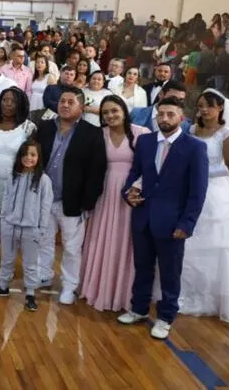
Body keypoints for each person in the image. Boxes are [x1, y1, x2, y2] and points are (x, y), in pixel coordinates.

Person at [118, 97, 209, 340]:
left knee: (170, 273)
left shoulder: (195, 147)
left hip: (173, 222)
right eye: (161, 114)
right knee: (142, 267)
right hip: (143, 216)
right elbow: (135, 174)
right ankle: (138, 309)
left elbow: (197, 191)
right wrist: (127, 193)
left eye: (171, 114)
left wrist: (187, 223)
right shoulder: (146, 141)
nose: (165, 118)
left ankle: (166, 317)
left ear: (182, 117)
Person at [177, 89, 229, 322]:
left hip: (215, 193)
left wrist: (200, 174)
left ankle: (219, 296)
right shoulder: (193, 130)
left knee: (219, 243)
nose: (204, 110)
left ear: (220, 108)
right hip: (191, 191)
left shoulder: (227, 133)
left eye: (209, 106)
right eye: (201, 105)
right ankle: (187, 290)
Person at [36, 86, 107, 305]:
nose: (65, 105)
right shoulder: (45, 127)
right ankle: (43, 275)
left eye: (70, 102)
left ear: (82, 106)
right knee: (43, 241)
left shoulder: (91, 133)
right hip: (45, 198)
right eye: (62, 102)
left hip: (73, 201)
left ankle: (69, 285)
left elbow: (97, 171)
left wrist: (87, 202)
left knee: (72, 247)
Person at [80, 95, 150, 311]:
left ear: (124, 110)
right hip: (104, 193)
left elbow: (149, 166)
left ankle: (123, 293)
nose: (110, 116)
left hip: (130, 194)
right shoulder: (98, 134)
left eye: (114, 111)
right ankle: (97, 288)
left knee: (126, 241)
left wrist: (136, 188)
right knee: (101, 237)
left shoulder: (141, 133)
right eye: (106, 113)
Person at [0, 141, 53, 312]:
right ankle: (3, 286)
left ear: (38, 157)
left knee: (30, 263)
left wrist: (41, 229)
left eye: (33, 155)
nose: (29, 158)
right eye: (25, 154)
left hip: (31, 229)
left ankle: (30, 293)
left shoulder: (44, 180)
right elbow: (6, 198)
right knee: (7, 259)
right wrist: (4, 219)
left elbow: (45, 207)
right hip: (10, 226)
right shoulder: (12, 176)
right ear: (20, 157)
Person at [0, 87, 36, 277]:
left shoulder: (28, 128)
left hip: (17, 184)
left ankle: (9, 263)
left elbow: (33, 156)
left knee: (12, 226)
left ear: (20, 104)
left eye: (12, 101)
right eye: (4, 100)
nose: (8, 104)